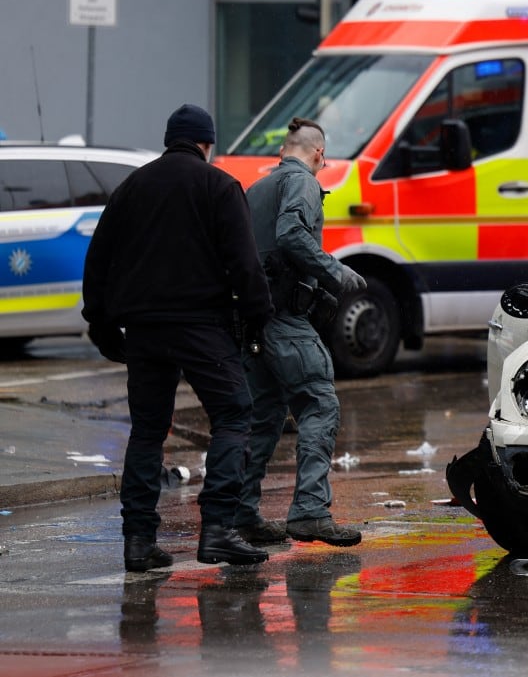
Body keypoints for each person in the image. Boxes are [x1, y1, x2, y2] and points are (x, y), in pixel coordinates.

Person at [82, 103, 274, 571]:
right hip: (201, 324)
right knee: (233, 413)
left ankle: (138, 542)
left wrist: (102, 324)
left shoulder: (132, 187)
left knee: (148, 430)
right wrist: (258, 318)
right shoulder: (219, 186)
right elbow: (245, 264)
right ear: (207, 144)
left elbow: (98, 259)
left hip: (144, 328)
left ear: (170, 140)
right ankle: (219, 530)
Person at [234, 116, 367, 547]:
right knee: (319, 405)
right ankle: (310, 511)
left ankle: (242, 514)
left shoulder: (256, 191)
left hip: (253, 324)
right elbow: (291, 234)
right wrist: (336, 272)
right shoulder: (304, 183)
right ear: (317, 154)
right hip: (285, 321)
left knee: (265, 417)